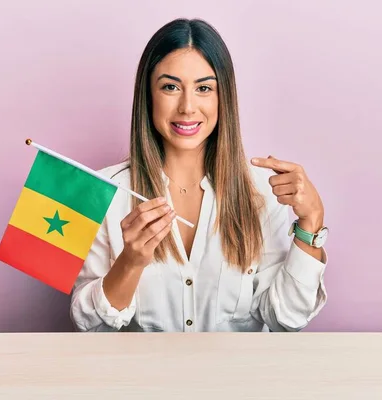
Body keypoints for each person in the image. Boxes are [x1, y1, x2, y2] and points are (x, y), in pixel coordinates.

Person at [70, 18, 329, 332]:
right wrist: (131, 261)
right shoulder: (103, 192)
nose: (187, 107)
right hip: (141, 379)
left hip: (234, 380)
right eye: (170, 87)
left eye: (204, 88)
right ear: (148, 95)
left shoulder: (263, 192)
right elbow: (89, 326)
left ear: (223, 98)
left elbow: (286, 317)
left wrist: (310, 224)